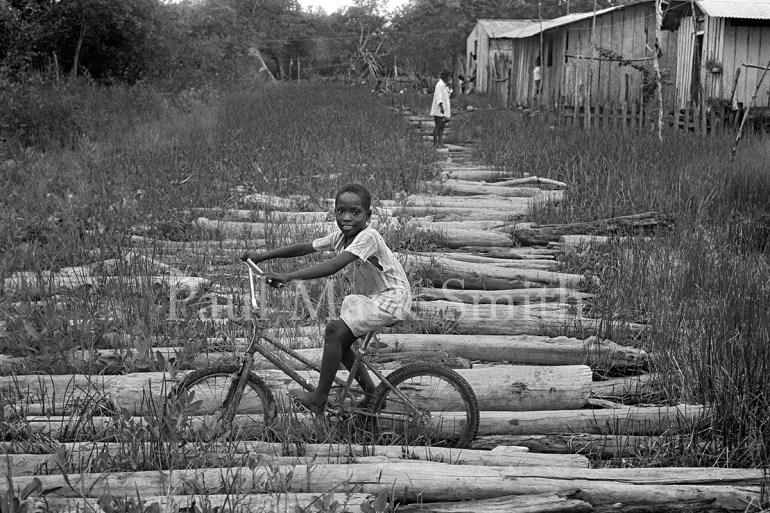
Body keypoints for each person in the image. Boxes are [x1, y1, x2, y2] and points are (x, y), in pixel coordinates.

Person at [241, 183, 412, 414]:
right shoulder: (341, 237)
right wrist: (262, 256)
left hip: (391, 297)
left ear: (368, 216)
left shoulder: (368, 236)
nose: (347, 218)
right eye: (340, 211)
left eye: (355, 212)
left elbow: (333, 266)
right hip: (372, 297)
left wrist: (289, 276)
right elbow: (304, 248)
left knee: (334, 331)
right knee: (341, 342)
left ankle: (319, 398)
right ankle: (373, 397)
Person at [431, 70, 452, 147]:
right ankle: (435, 143)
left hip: (443, 110)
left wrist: (450, 86)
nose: (449, 78)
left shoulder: (444, 85)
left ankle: (440, 142)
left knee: (442, 126)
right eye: (448, 76)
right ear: (445, 77)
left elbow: (448, 95)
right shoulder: (439, 85)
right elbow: (438, 96)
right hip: (439, 109)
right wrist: (441, 107)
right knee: (438, 125)